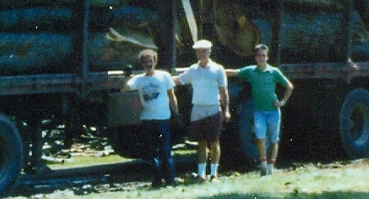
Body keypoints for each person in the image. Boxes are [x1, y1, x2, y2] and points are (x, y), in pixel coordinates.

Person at [227, 44, 294, 175]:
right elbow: (234, 72)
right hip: (259, 111)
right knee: (260, 138)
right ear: (255, 57)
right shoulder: (250, 71)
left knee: (274, 139)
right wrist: (215, 69)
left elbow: (289, 86)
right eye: (259, 56)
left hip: (273, 111)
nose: (262, 58)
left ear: (267, 57)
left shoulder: (274, 72)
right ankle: (263, 165)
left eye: (264, 56)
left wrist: (283, 102)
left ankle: (271, 166)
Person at [122, 48, 179, 186]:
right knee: (152, 153)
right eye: (146, 62)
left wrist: (176, 113)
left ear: (155, 62)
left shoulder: (164, 76)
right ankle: (157, 180)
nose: (149, 64)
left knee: (166, 151)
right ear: (142, 64)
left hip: (163, 118)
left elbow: (172, 95)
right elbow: (124, 89)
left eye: (151, 61)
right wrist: (127, 77)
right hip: (147, 119)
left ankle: (170, 180)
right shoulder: (139, 79)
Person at [175, 39, 229, 181]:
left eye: (205, 51)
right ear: (196, 53)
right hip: (198, 109)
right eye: (199, 51)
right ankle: (201, 175)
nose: (202, 54)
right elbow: (177, 80)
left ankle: (214, 174)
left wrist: (226, 110)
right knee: (201, 142)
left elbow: (224, 91)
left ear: (210, 52)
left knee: (214, 142)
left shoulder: (218, 69)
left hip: (213, 108)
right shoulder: (193, 70)